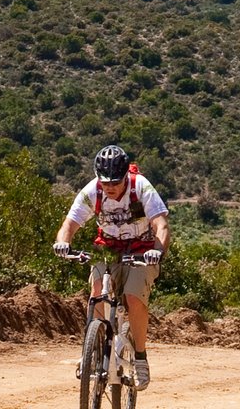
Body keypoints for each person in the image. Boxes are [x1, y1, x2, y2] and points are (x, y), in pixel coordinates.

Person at [53, 145, 171, 390]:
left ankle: (139, 357)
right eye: (105, 182)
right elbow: (69, 224)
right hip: (108, 248)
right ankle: (94, 350)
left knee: (133, 297)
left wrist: (157, 251)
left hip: (141, 249)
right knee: (97, 293)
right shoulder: (92, 191)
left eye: (115, 182)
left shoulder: (141, 187)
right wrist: (63, 242)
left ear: (126, 176)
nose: (110, 187)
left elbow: (161, 225)